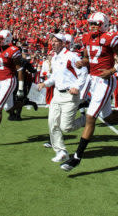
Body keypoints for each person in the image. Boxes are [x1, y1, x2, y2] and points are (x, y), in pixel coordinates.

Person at [59, 12, 118, 171]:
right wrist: (82, 62)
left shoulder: (111, 37)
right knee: (109, 117)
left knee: (91, 117)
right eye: (90, 23)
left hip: (105, 81)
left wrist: (112, 70)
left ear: (103, 24)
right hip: (93, 80)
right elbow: (88, 58)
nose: (92, 26)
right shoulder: (86, 38)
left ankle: (77, 157)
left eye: (96, 24)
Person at [37, 33, 88, 163]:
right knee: (52, 123)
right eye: (52, 41)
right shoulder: (54, 58)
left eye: (56, 41)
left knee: (66, 127)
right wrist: (45, 83)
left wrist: (77, 86)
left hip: (70, 95)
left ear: (63, 43)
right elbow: (55, 76)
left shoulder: (71, 56)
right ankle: (61, 151)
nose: (53, 43)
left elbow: (83, 72)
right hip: (57, 94)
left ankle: (86, 120)